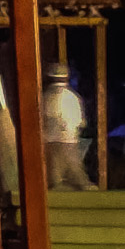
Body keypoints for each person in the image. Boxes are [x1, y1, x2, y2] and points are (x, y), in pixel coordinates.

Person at [43, 61, 96, 191]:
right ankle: (80, 185)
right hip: (67, 139)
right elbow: (80, 122)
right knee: (70, 166)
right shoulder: (72, 97)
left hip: (52, 140)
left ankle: (76, 185)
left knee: (59, 169)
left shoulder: (45, 97)